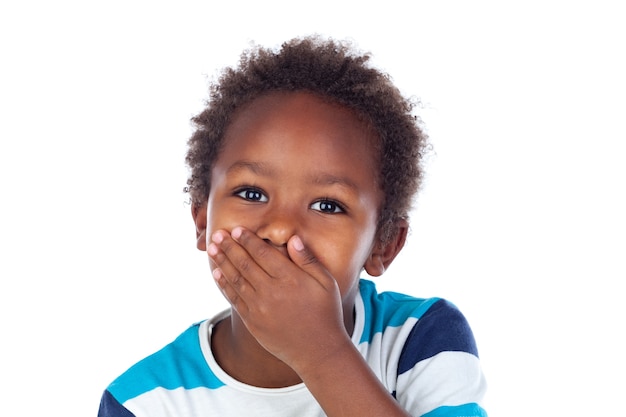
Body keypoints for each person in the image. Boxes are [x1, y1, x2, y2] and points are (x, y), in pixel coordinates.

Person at [98, 36, 487, 417]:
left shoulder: (421, 339)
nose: (280, 229)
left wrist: (321, 352)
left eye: (327, 205)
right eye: (251, 194)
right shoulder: (142, 403)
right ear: (202, 220)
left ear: (383, 244)